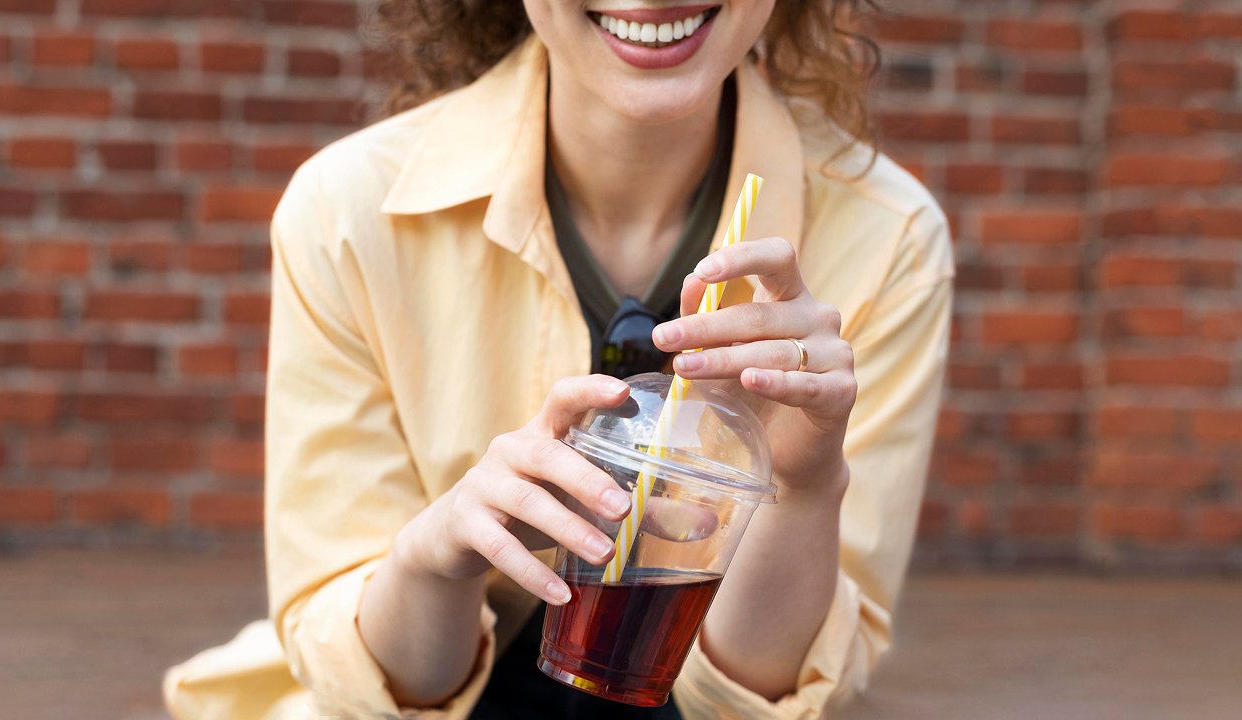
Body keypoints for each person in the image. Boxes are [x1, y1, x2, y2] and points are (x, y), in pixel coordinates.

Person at [164, 1, 953, 718]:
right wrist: (438, 557)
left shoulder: (891, 240)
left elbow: (764, 695)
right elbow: (387, 686)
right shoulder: (344, 215)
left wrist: (804, 486)